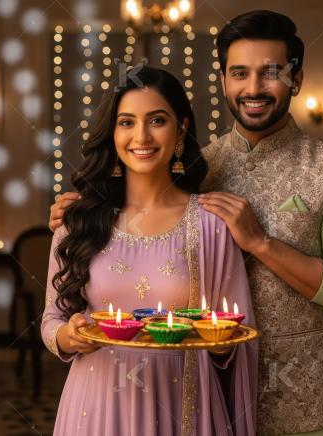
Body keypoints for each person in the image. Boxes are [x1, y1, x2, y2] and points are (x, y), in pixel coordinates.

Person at [48, 10, 323, 436]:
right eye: (239, 73)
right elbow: (138, 206)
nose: (254, 88)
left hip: (302, 408)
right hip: (198, 402)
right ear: (223, 80)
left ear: (296, 80)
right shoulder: (198, 166)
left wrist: (262, 244)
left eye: (271, 73)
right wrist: (79, 213)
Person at [41, 64, 258, 436]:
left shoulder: (211, 224)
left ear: (182, 128)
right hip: (96, 409)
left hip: (186, 406)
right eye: (126, 122)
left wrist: (220, 343)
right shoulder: (77, 220)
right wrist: (69, 336)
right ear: (112, 133)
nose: (141, 135)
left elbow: (236, 337)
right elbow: (51, 320)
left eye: (157, 120)